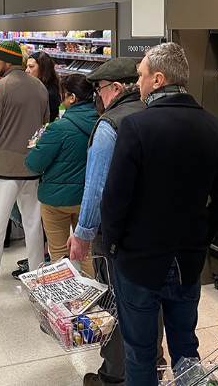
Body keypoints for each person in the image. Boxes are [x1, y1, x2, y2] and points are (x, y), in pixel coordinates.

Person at [100, 43, 218, 386]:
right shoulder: (216, 127)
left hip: (139, 261)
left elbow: (115, 199)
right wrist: (201, 235)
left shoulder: (136, 126)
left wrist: (114, 245)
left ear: (158, 79)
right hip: (188, 262)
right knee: (186, 349)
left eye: (142, 75)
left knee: (141, 354)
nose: (138, 82)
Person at [70, 58, 154, 386]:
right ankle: (153, 364)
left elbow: (96, 189)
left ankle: (114, 375)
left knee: (117, 302)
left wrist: (82, 234)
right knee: (150, 300)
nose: (97, 96)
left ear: (116, 88)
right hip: (152, 230)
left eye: (100, 89)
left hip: (116, 234)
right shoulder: (154, 114)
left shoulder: (109, 126)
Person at [0, 40, 49, 312]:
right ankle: (37, 286)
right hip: (32, 167)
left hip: (3, 170)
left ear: (5, 61)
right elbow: (44, 128)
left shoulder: (0, 88)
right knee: (33, 225)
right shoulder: (39, 87)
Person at [24, 74, 98, 276]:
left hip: (56, 200)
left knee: (58, 253)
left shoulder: (58, 128)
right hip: (88, 200)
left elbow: (33, 165)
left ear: (72, 97)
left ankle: (64, 293)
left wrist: (38, 147)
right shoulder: (103, 123)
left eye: (63, 94)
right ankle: (94, 293)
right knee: (88, 253)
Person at [26, 51, 61, 123]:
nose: (26, 71)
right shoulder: (35, 87)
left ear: (43, 68)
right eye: (27, 67)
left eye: (31, 67)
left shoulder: (49, 93)